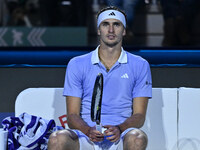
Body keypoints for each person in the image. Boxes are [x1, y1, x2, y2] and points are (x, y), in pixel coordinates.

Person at [48, 6, 152, 150]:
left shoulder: (140, 64)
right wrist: (87, 130)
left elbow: (139, 115)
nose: (111, 30)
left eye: (116, 24)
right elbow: (72, 116)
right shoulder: (77, 64)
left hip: (121, 135)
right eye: (105, 24)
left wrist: (120, 128)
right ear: (98, 30)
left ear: (124, 30)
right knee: (56, 139)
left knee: (138, 138)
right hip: (86, 136)